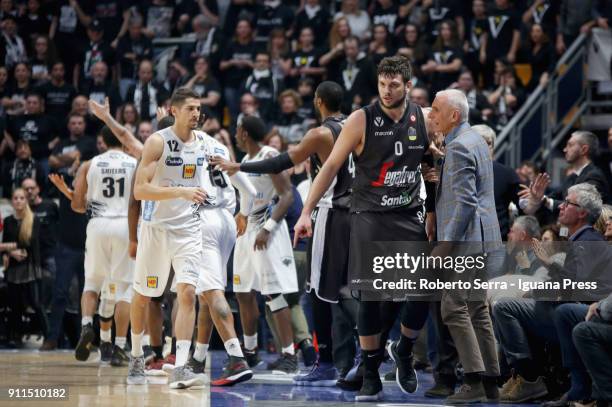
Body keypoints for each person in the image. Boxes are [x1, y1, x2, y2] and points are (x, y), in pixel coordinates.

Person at [294, 56, 434, 401]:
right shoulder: (361, 119)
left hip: (409, 213)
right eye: (382, 84)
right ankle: (370, 373)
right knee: (371, 296)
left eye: (394, 85)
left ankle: (403, 349)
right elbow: (329, 167)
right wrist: (306, 211)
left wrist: (431, 206)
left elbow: (431, 164)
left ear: (408, 85)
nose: (387, 91)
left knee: (424, 289)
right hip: (369, 215)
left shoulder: (424, 118)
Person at [212, 81, 354, 385]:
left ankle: (308, 356)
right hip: (353, 213)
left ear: (317, 101)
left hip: (316, 216)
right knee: (245, 293)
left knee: (311, 293)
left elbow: (286, 181)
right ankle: (252, 352)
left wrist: (274, 222)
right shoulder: (357, 125)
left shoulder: (308, 138)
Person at [126, 87, 206, 389]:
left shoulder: (203, 143)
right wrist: (180, 191)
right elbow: (139, 191)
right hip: (156, 229)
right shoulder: (158, 142)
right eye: (190, 109)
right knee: (144, 295)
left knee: (187, 292)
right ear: (174, 111)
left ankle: (182, 365)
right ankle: (135, 355)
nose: (196, 114)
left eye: (198, 108)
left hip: (188, 229)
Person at [428, 88, 501, 403]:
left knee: (453, 308)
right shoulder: (473, 140)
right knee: (476, 310)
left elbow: (466, 203)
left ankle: (472, 382)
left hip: (467, 242)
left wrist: (445, 245)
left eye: (435, 110)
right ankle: (491, 382)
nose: (431, 116)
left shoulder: (459, 147)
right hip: (483, 239)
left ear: (453, 115)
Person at [230, 115, 299, 374]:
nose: (236, 135)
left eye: (238, 131)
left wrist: (268, 228)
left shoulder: (270, 153)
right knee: (242, 292)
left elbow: (287, 195)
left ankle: (289, 356)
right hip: (248, 230)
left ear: (244, 133)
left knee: (273, 294)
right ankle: (250, 352)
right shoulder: (246, 161)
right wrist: (241, 214)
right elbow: (248, 196)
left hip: (267, 230)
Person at [69, 126, 136, 366]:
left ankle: (87, 325)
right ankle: (119, 346)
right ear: (123, 140)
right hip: (124, 226)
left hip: (98, 225)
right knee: (124, 291)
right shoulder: (133, 162)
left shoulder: (90, 164)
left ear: (102, 141)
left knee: (92, 283)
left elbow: (76, 206)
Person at [2, 188, 47, 347]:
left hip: (30, 266)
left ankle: (49, 337)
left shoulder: (33, 219)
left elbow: (29, 243)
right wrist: (8, 253)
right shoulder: (8, 221)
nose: (19, 200)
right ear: (12, 201)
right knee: (14, 305)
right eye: (16, 198)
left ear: (26, 200)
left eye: (21, 198)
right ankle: (15, 337)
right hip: (14, 267)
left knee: (35, 303)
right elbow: (7, 246)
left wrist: (5, 247)